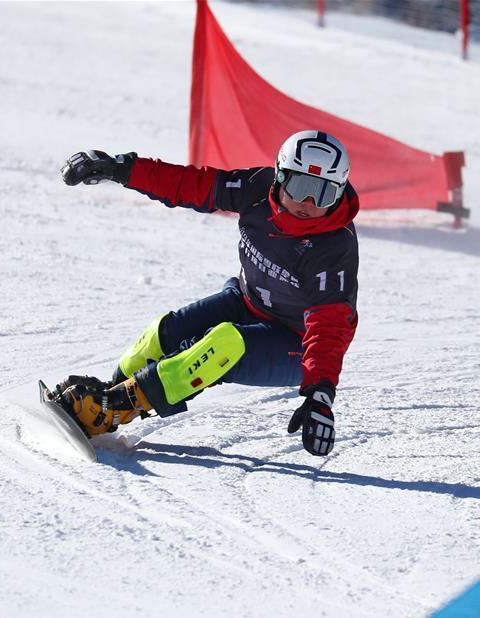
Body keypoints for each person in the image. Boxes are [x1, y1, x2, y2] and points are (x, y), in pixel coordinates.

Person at [49, 130, 359, 456]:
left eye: (324, 194)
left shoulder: (333, 246)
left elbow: (330, 325)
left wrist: (320, 394)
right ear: (280, 177)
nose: (308, 204)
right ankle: (106, 395)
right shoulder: (256, 188)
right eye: (301, 187)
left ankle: (113, 408)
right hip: (247, 302)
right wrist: (122, 169)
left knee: (223, 344)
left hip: (296, 344)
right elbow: (192, 185)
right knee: (164, 334)